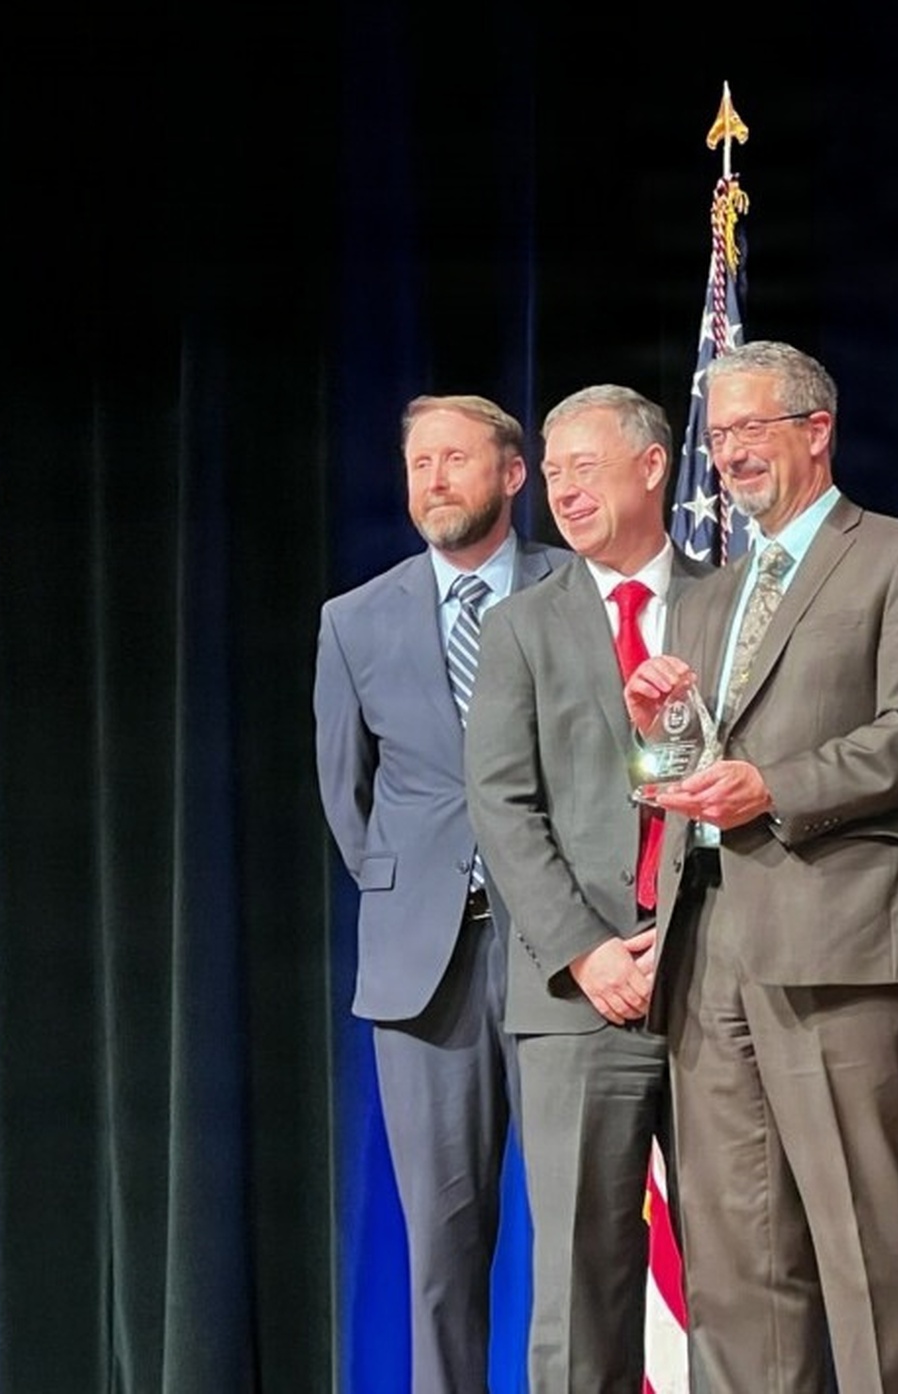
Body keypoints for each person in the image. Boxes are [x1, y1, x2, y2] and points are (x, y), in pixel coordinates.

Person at [621, 341, 898, 1394]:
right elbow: (682, 770)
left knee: (868, 1238)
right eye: (716, 436)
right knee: (733, 1253)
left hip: (838, 934)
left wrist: (776, 786)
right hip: (709, 937)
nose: (726, 455)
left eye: (749, 430)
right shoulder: (708, 592)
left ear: (817, 429)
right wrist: (654, 730)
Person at [312, 393, 567, 1394]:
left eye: (453, 459)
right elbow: (348, 794)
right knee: (441, 1243)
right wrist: (407, 889)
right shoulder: (354, 618)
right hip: (426, 965)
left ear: (512, 473)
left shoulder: (573, 587)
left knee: (577, 1223)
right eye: (418, 462)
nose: (431, 480)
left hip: (562, 952)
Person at [464, 384, 711, 1394]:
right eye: (551, 470)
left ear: (652, 466)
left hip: (715, 986)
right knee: (576, 1278)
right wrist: (584, 948)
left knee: (743, 1269)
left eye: (582, 464)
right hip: (577, 1000)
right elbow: (501, 802)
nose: (560, 488)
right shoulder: (521, 627)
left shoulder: (730, 598)